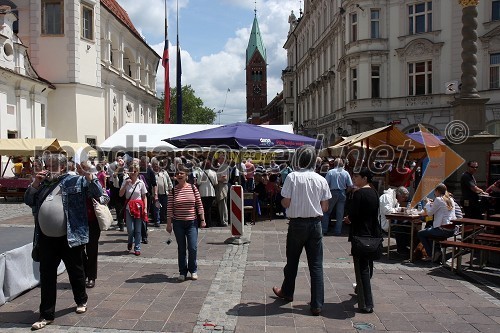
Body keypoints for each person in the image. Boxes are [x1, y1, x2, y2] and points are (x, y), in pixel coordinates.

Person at [24, 153, 103, 330]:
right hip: (45, 238)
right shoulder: (43, 184)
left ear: (61, 167)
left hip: (69, 236)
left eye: (52, 165)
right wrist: (35, 184)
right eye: (47, 164)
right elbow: (28, 200)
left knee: (75, 271)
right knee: (47, 276)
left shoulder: (75, 181)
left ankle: (81, 300)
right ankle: (46, 314)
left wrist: (89, 177)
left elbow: (101, 195)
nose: (48, 168)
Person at [272, 145, 331, 316]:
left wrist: (287, 203)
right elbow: (325, 207)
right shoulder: (321, 179)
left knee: (292, 261)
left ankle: (287, 292)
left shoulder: (292, 177)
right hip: (315, 224)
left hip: (297, 224)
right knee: (316, 265)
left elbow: (286, 202)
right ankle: (317, 304)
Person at [344, 168, 380, 314]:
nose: (354, 179)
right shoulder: (375, 193)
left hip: (360, 234)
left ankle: (366, 302)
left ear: (365, 178)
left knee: (362, 269)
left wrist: (348, 219)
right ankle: (362, 293)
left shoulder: (359, 194)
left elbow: (353, 214)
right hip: (373, 233)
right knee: (367, 266)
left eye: (357, 177)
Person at [167, 165, 206, 281]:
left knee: (193, 247)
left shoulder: (193, 188)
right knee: (181, 248)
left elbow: (199, 204)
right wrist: (169, 224)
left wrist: (202, 219)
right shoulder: (173, 191)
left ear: (186, 175)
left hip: (191, 222)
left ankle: (193, 269)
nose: (179, 175)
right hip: (178, 223)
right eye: (177, 173)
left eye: (181, 173)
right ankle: (182, 271)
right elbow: (169, 208)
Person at [79, 160, 110, 289]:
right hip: (79, 220)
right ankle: (85, 272)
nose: (84, 170)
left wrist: (91, 179)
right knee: (79, 249)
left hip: (92, 220)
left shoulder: (94, 180)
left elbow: (99, 193)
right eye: (82, 168)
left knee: (92, 249)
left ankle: (91, 276)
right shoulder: (75, 180)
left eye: (87, 168)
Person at [418, 183, 456, 262]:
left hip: (443, 229)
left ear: (437, 191)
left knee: (421, 233)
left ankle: (431, 255)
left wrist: (428, 202)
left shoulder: (438, 199)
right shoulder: (450, 199)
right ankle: (436, 251)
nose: (434, 193)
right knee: (429, 230)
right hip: (452, 229)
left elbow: (429, 213)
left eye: (435, 191)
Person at [119, 161, 148, 256]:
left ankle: (137, 247)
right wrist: (125, 185)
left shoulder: (141, 183)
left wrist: (145, 208)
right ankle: (130, 240)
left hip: (139, 207)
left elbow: (144, 196)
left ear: (138, 172)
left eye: (135, 171)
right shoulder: (126, 181)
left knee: (138, 229)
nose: (133, 173)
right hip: (128, 207)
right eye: (131, 171)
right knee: (130, 229)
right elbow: (120, 194)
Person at [322, 158, 353, 236]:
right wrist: (346, 192)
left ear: (334, 164)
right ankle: (338, 231)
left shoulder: (330, 172)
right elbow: (350, 185)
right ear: (342, 164)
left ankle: (324, 229)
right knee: (340, 214)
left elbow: (325, 184)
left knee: (327, 212)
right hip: (342, 192)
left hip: (332, 192)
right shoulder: (345, 173)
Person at [379, 186, 412, 254]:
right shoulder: (386, 197)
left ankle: (408, 247)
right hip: (384, 223)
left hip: (392, 221)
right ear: (399, 194)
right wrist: (399, 209)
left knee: (408, 224)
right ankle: (402, 249)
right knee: (401, 228)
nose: (403, 200)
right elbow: (387, 211)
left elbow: (394, 209)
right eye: (403, 197)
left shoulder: (395, 199)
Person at [197, 160, 218, 228]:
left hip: (202, 192)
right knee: (209, 208)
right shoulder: (213, 173)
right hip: (211, 192)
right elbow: (215, 183)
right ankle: (209, 223)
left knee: (202, 208)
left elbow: (198, 182)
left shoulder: (201, 173)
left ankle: (203, 222)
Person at [153, 158, 173, 226]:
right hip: (156, 194)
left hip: (165, 193)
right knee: (157, 208)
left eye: (157, 165)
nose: (156, 167)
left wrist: (171, 190)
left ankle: (162, 218)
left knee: (164, 207)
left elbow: (169, 181)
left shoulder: (164, 172)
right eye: (155, 166)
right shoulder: (153, 173)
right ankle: (157, 221)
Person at [214, 153, 229, 226]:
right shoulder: (223, 166)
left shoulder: (223, 167)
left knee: (222, 204)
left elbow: (224, 178)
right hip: (222, 186)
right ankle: (223, 220)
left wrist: (216, 179)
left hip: (222, 186)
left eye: (219, 158)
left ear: (223, 159)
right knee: (222, 204)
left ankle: (224, 221)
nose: (218, 159)